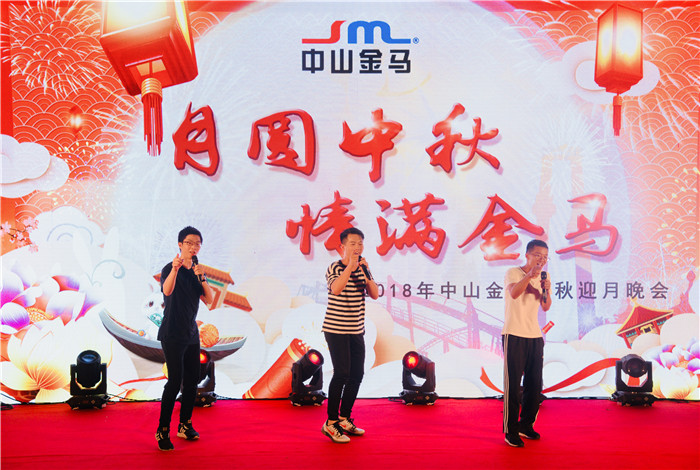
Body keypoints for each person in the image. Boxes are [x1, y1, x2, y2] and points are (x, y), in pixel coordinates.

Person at [155, 226, 214, 451]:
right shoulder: (170, 268)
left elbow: (210, 300)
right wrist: (175, 269)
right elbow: (167, 291)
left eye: (197, 244)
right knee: (174, 382)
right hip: (172, 333)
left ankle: (185, 425)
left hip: (191, 334)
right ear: (180, 244)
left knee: (191, 382)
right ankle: (162, 430)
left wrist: (202, 277)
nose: (193, 247)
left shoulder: (197, 272)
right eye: (189, 243)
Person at [321, 227, 379, 443]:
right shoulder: (334, 267)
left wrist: (366, 272)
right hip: (335, 329)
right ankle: (331, 422)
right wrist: (350, 267)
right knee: (341, 373)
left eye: (360, 244)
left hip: (356, 329)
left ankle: (344, 418)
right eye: (353, 244)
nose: (357, 247)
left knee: (357, 374)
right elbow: (336, 289)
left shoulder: (363, 268)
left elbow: (375, 294)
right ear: (342, 247)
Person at [502, 239, 552, 448]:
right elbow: (514, 293)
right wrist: (529, 276)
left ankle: (526, 425)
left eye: (545, 257)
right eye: (538, 255)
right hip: (514, 334)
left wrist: (546, 289)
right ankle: (510, 430)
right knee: (513, 386)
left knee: (534, 384)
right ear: (528, 255)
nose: (542, 260)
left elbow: (546, 306)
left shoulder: (544, 277)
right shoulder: (513, 272)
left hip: (535, 336)